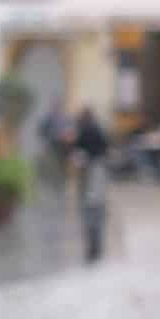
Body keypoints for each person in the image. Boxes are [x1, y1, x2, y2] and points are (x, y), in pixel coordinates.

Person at [72, 105, 110, 261]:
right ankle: (97, 247)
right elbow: (106, 148)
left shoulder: (84, 131)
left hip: (89, 173)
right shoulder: (98, 129)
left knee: (89, 210)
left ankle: (93, 248)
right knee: (97, 207)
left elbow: (77, 154)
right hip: (98, 171)